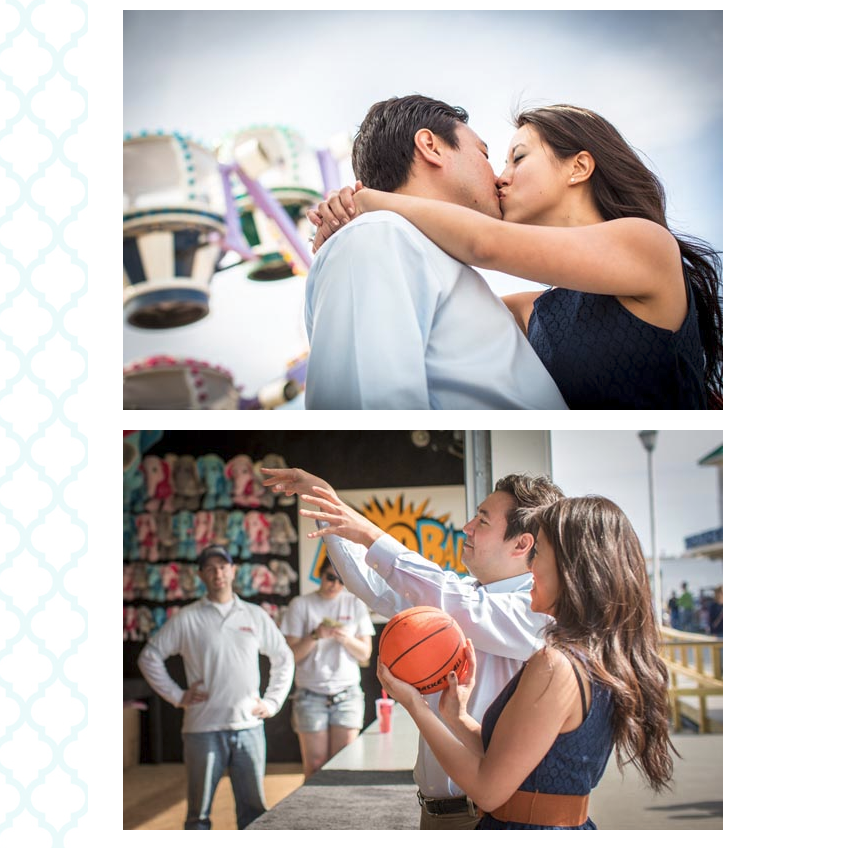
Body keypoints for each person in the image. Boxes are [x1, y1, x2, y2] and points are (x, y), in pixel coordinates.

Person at [311, 104, 724, 410]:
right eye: (494, 158)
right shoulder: (533, 312)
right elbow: (427, 300)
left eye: (518, 158)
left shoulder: (647, 245)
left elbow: (484, 244)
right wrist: (348, 229)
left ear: (578, 167)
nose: (500, 176)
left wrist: (365, 202)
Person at [259, 465, 563, 829]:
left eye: (482, 521)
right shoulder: (464, 594)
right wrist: (328, 505)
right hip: (436, 814)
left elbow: (458, 604)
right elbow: (375, 587)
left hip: (492, 817)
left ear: (521, 543)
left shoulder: (535, 610)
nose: (467, 527)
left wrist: (370, 533)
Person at [374, 496, 675, 829]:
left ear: (570, 569)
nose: (529, 568)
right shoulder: (595, 656)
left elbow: (488, 790)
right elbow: (514, 758)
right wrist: (456, 717)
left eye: (539, 553)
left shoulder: (555, 664)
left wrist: (416, 706)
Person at [302, 94, 567, 410]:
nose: (497, 177)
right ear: (430, 146)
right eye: (484, 154)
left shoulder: (408, 248)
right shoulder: (375, 237)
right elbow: (365, 404)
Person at [137, 545, 294, 829]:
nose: (217, 572)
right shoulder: (187, 618)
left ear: (233, 571)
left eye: (223, 566)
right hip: (202, 729)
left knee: (254, 813)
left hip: (248, 726)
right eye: (210, 567)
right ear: (200, 574)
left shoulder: (254, 615)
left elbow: (284, 657)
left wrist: (272, 702)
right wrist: (177, 695)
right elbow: (149, 657)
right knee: (198, 816)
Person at [280, 560, 374, 779]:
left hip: (347, 693)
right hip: (310, 694)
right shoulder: (300, 604)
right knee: (315, 765)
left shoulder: (354, 604)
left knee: (345, 765)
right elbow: (291, 656)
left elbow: (365, 654)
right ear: (320, 576)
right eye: (330, 577)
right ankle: (312, 813)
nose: (335, 584)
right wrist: (315, 635)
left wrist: (346, 639)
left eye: (341, 580)